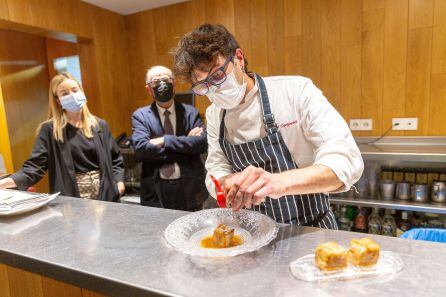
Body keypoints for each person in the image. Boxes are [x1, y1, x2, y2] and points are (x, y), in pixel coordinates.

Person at [171, 24, 364, 227]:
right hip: (252, 233)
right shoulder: (215, 114)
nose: (214, 90)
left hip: (311, 228)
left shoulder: (295, 91)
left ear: (238, 58)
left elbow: (345, 162)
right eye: (203, 86)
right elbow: (216, 167)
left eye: (218, 76)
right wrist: (228, 183)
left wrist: (277, 182)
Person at [0, 72, 125, 201]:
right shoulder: (49, 130)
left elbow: (116, 158)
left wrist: (119, 184)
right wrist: (3, 184)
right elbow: (34, 167)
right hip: (73, 198)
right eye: (65, 93)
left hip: (106, 194)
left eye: (75, 90)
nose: (72, 95)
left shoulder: (100, 125)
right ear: (57, 100)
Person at [131, 66, 208, 211]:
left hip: (190, 189)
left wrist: (164, 141)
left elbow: (201, 144)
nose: (161, 84)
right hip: (156, 190)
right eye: (155, 81)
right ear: (149, 89)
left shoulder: (191, 113)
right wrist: (185, 144)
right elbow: (141, 150)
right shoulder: (140, 116)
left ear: (174, 84)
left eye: (165, 79)